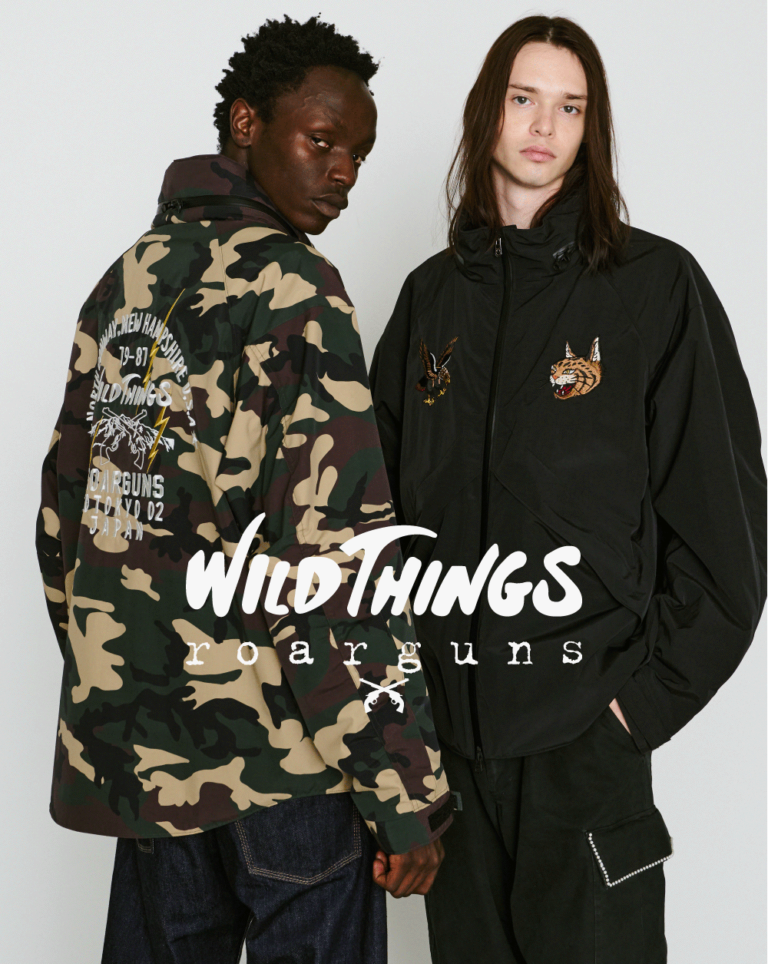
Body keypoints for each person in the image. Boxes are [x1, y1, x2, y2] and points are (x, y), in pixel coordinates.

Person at [35, 16, 451, 964]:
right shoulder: (297, 289)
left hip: (150, 768)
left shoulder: (128, 280)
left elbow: (66, 519)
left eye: (358, 154)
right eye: (322, 140)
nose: (343, 173)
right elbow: (334, 564)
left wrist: (127, 684)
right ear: (246, 121)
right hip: (284, 768)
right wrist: (404, 790)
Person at [369, 15, 768, 964]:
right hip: (451, 767)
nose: (544, 125)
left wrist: (631, 714)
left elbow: (730, 533)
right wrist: (403, 732)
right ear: (487, 113)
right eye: (523, 98)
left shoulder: (653, 287)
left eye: (571, 106)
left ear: (592, 128)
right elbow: (371, 532)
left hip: (584, 757)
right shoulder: (430, 300)